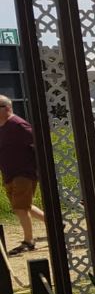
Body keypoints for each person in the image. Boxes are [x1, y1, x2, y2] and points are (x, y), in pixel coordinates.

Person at [0, 95, 46, 254]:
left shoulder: (18, 124)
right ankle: (54, 224)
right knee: (21, 205)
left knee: (20, 207)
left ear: (6, 108)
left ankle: (29, 241)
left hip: (24, 173)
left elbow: (38, 144)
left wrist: (39, 167)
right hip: (9, 174)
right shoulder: (2, 126)